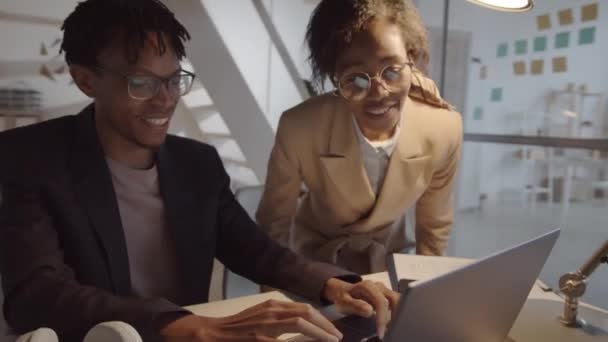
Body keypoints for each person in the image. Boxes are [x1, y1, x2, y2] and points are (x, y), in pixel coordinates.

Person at [0, 1, 400, 341]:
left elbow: (259, 253)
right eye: (142, 83)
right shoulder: (32, 157)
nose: (165, 100)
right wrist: (184, 325)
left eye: (174, 80)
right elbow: (35, 294)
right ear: (85, 79)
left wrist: (333, 284)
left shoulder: (198, 164)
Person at [257, 0, 463, 275]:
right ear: (334, 76)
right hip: (315, 266)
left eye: (392, 70)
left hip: (393, 264)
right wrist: (276, 291)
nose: (379, 93)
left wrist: (424, 293)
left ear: (411, 59)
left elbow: (434, 228)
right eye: (356, 78)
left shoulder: (441, 128)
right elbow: (274, 223)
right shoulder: (301, 127)